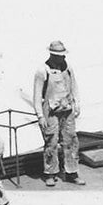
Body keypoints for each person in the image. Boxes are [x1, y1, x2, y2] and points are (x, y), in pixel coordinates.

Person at [32, 40, 80, 186]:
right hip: (50, 111)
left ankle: (72, 172)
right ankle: (50, 173)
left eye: (63, 55)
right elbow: (36, 95)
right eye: (59, 55)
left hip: (67, 109)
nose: (62, 58)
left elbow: (74, 86)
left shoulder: (68, 67)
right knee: (51, 142)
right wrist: (40, 115)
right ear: (52, 55)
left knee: (71, 140)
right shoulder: (42, 70)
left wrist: (77, 104)